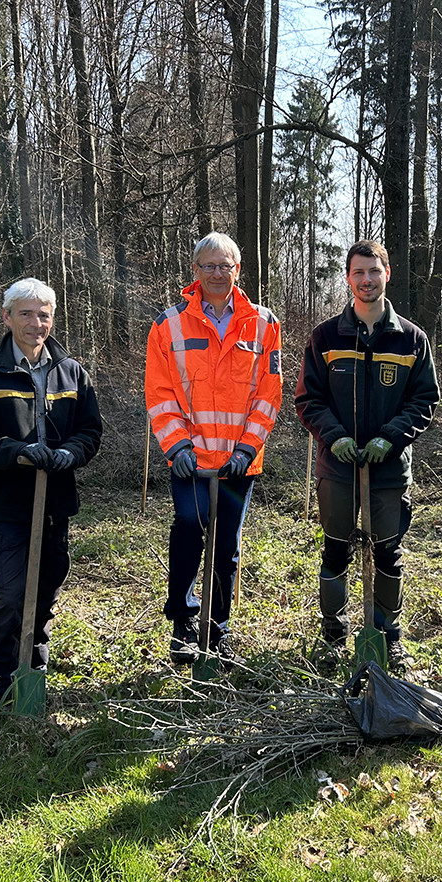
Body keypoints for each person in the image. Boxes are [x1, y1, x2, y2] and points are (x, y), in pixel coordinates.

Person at [0, 277, 102, 707]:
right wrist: (17, 453)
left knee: (46, 592)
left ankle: (33, 677)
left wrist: (69, 453)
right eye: (27, 314)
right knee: (12, 595)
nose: (37, 323)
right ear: (7, 317)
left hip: (55, 504)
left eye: (44, 314)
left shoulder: (71, 371)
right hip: (8, 504)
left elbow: (90, 430)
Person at [295, 239, 440, 673]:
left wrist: (391, 437)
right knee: (335, 549)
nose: (366, 280)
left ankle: (387, 635)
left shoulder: (413, 339)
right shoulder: (325, 337)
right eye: (358, 273)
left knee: (388, 552)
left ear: (387, 274)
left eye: (373, 271)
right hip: (337, 469)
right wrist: (334, 435)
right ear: (347, 279)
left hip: (390, 470)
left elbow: (424, 400)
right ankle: (333, 635)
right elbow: (308, 399)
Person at [146, 232, 282, 666]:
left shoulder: (264, 324)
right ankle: (184, 623)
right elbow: (160, 393)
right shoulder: (168, 324)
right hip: (188, 459)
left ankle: (217, 628)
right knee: (188, 526)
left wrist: (246, 449)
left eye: (226, 265)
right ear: (195, 271)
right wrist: (177, 446)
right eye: (209, 266)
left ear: (238, 270)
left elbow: (268, 394)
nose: (218, 273)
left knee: (226, 545)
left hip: (239, 463)